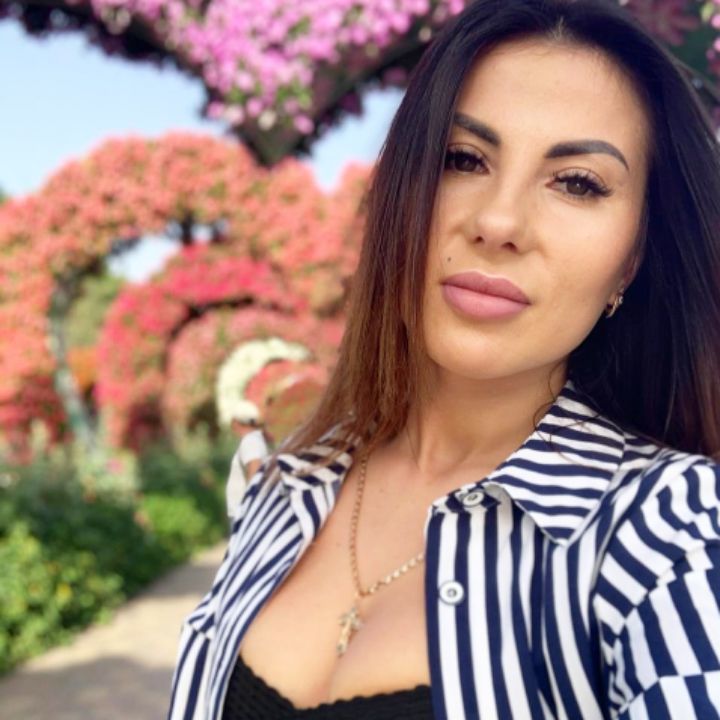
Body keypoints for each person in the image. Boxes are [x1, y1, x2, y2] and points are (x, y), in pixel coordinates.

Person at [167, 0, 720, 718]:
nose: (498, 222)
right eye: (463, 159)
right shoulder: (287, 486)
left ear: (631, 260)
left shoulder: (668, 531)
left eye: (577, 182)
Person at [225, 399, 271, 520]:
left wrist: (250, 506)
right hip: (246, 512)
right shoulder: (255, 439)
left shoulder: (250, 441)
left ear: (236, 422)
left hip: (245, 513)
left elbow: (255, 472)